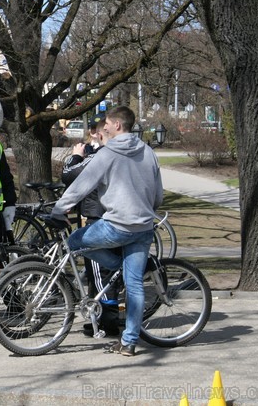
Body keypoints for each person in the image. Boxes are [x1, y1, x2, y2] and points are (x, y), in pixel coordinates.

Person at [52, 106, 163, 357]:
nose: (104, 128)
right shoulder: (148, 152)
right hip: (144, 227)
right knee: (134, 286)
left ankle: (114, 265)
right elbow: (158, 195)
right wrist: (146, 211)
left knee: (74, 241)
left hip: (116, 224)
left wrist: (59, 211)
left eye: (108, 124)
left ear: (118, 126)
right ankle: (129, 342)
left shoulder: (108, 153)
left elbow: (81, 186)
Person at [61, 113, 119, 337]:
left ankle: (108, 321)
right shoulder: (105, 153)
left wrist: (75, 156)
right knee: (102, 273)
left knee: (101, 272)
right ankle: (101, 316)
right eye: (94, 129)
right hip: (102, 215)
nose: (96, 134)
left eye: (100, 129)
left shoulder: (100, 155)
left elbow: (69, 175)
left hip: (99, 217)